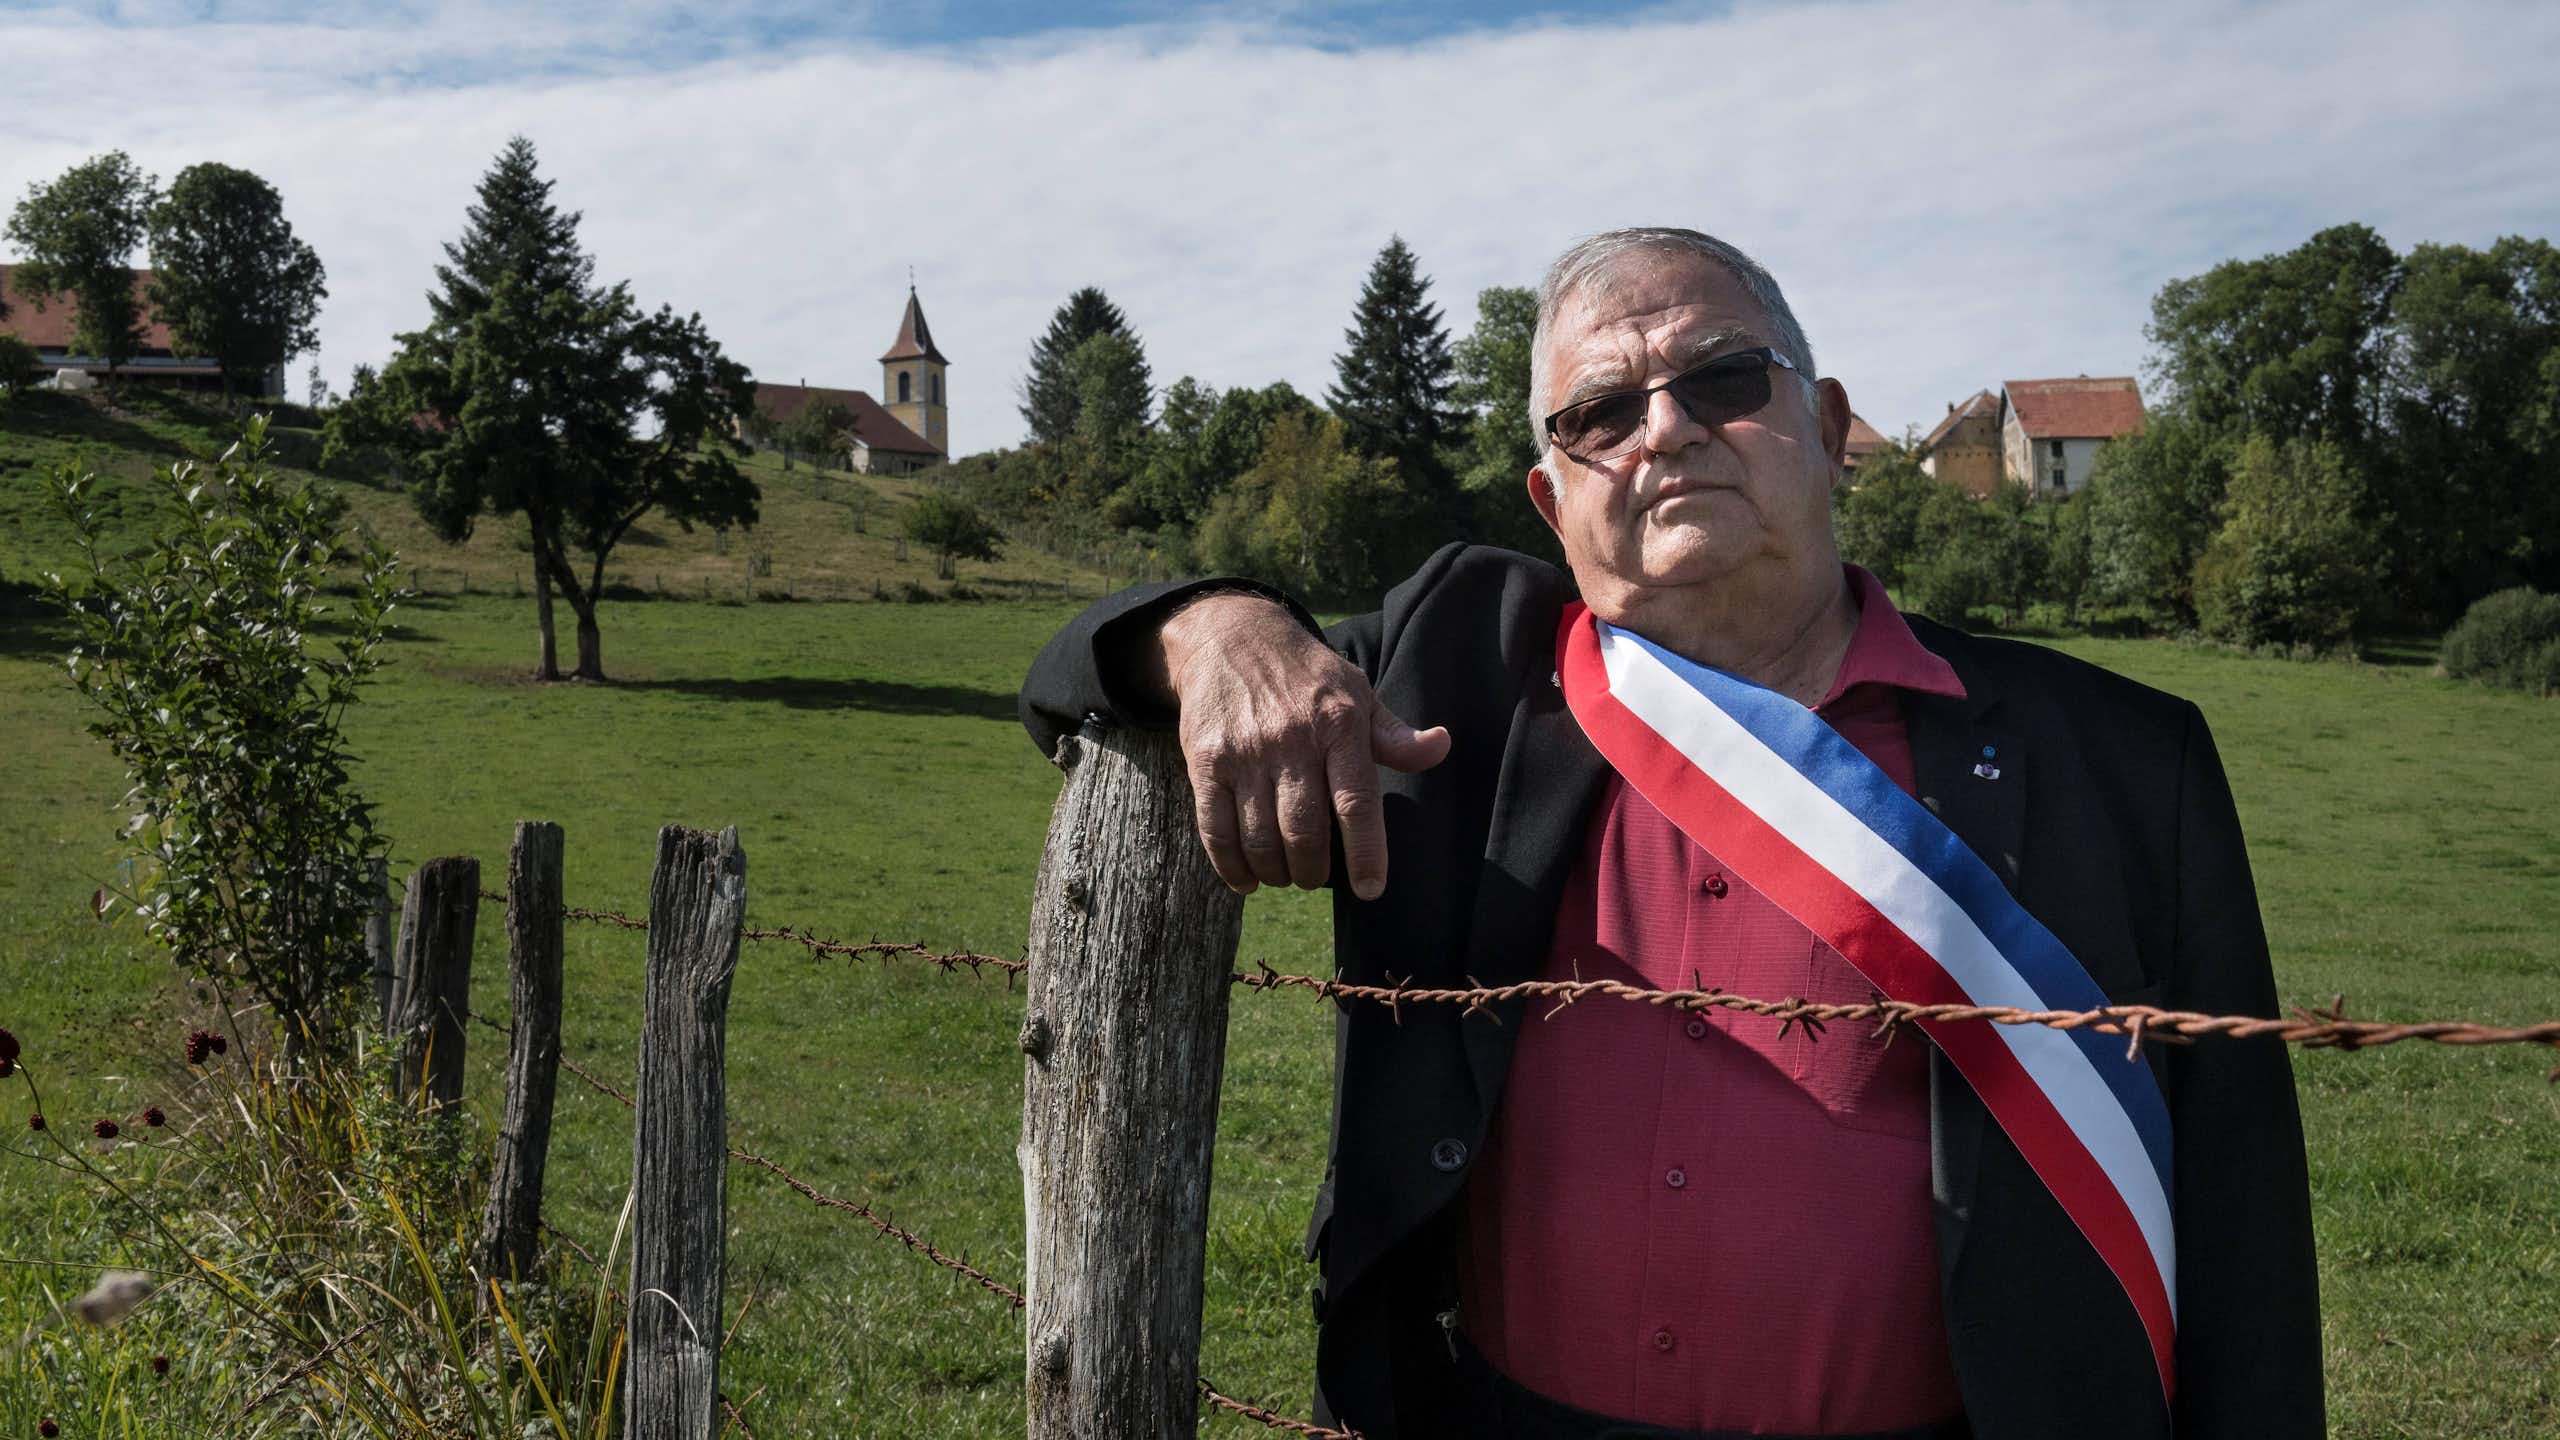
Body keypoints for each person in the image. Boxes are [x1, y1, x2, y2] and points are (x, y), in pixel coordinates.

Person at [1020, 228, 2320, 1440]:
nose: (1667, 432)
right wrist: (1220, 630)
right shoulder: (1452, 677)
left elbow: (2246, 1249)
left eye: (1723, 381)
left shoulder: (2127, 761)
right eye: (1602, 413)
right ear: (1550, 496)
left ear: (1824, 425)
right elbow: (1073, 668)